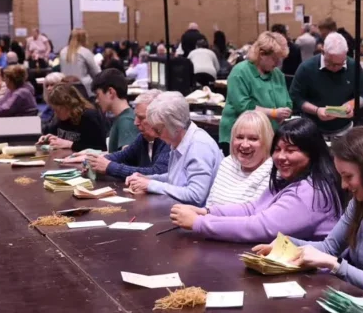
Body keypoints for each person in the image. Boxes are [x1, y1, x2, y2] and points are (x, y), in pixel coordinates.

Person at [254, 127, 363, 291]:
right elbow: (329, 247)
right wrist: (286, 243)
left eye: (348, 177)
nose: (343, 185)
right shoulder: (361, 202)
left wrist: (336, 265)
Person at [168, 118, 343, 243]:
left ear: (312, 153)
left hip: (315, 277)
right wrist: (206, 212)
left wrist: (199, 223)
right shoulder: (289, 178)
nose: (281, 157)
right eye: (277, 149)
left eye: (290, 150)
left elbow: (260, 227)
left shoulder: (311, 192)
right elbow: (253, 208)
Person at [126, 92, 223, 206]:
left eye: (158, 130)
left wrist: (150, 185)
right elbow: (176, 179)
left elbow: (196, 195)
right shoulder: (180, 139)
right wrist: (146, 179)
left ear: (176, 126)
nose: (156, 135)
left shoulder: (199, 146)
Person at [218, 31, 293, 155]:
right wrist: (274, 113)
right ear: (262, 54)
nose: (278, 63)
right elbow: (243, 107)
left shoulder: (277, 74)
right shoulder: (240, 72)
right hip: (241, 138)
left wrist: (285, 112)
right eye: (275, 59)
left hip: (268, 137)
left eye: (280, 59)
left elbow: (287, 102)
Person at [290, 32, 363, 139]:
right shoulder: (306, 68)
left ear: (346, 54)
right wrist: (317, 110)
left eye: (340, 64)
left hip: (345, 130)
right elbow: (296, 98)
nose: (335, 68)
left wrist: (351, 105)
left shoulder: (353, 66)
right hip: (312, 131)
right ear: (323, 52)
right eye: (331, 63)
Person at [82, 90, 170, 180]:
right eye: (136, 117)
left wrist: (109, 167)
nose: (135, 122)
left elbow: (158, 173)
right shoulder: (143, 138)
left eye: (141, 118)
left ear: (157, 117)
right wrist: (95, 161)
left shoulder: (169, 141)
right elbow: (123, 156)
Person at [206, 111, 274, 207]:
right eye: (240, 137)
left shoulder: (271, 172)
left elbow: (256, 213)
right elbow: (209, 204)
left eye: (253, 139)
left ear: (267, 141)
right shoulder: (227, 162)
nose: (245, 145)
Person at [40, 83, 107, 151]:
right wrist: (49, 138)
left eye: (58, 110)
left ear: (68, 105)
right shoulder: (59, 118)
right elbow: (54, 134)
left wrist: (71, 145)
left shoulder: (89, 117)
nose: (56, 113)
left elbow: (101, 148)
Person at [91, 69, 138, 152]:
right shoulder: (123, 119)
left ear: (110, 92)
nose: (97, 100)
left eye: (98, 95)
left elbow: (128, 157)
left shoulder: (126, 122)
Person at [59, 28, 100, 97]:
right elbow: (96, 73)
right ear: (84, 39)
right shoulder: (85, 52)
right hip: (84, 90)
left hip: (67, 88)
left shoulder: (62, 52)